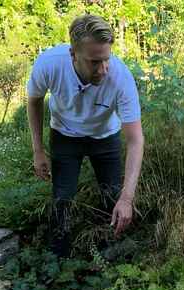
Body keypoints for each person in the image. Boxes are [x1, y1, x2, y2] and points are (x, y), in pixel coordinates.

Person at [26, 14, 144, 257]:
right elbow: (34, 100)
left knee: (113, 196)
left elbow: (135, 140)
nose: (103, 70)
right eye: (94, 62)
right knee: (62, 198)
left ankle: (111, 255)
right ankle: (58, 259)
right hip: (65, 135)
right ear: (73, 54)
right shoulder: (49, 64)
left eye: (106, 60)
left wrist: (127, 197)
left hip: (105, 136)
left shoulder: (121, 78)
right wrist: (38, 151)